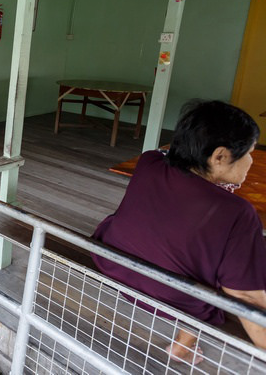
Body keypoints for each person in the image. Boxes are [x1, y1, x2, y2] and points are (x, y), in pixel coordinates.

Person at [92, 100, 266, 363]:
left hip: (114, 264)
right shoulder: (238, 212)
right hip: (174, 296)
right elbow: (246, 297)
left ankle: (182, 347)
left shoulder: (149, 161)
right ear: (219, 156)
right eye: (250, 152)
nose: (251, 160)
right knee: (225, 269)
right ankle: (182, 347)